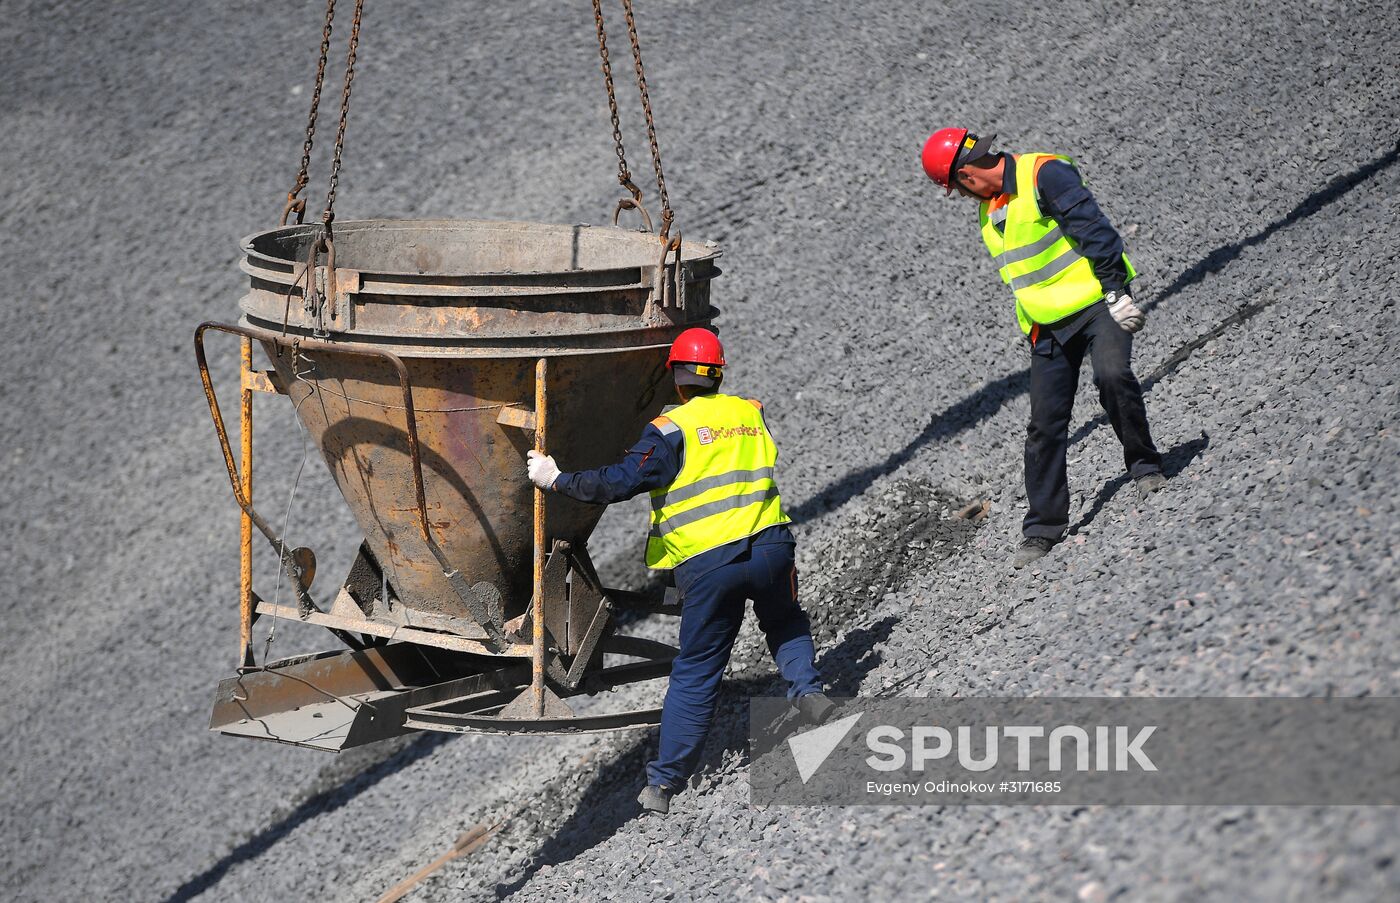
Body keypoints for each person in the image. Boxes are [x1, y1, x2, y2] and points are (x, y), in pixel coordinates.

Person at [524, 327, 833, 814]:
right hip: (773, 544)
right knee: (786, 620)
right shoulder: (749, 413)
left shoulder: (670, 430)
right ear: (717, 373)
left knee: (697, 670)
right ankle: (808, 691)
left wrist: (556, 478)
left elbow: (621, 481)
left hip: (712, 564)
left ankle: (662, 787)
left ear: (676, 376)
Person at [921, 128, 1167, 569]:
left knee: (1111, 376)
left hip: (1097, 304)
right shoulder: (989, 212)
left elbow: (1095, 230)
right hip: (1049, 330)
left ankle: (1145, 466)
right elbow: (1021, 277)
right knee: (1044, 425)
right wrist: (1034, 328)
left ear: (967, 175)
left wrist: (1116, 291)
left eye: (955, 188)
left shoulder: (1044, 175)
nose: (960, 196)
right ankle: (1042, 529)